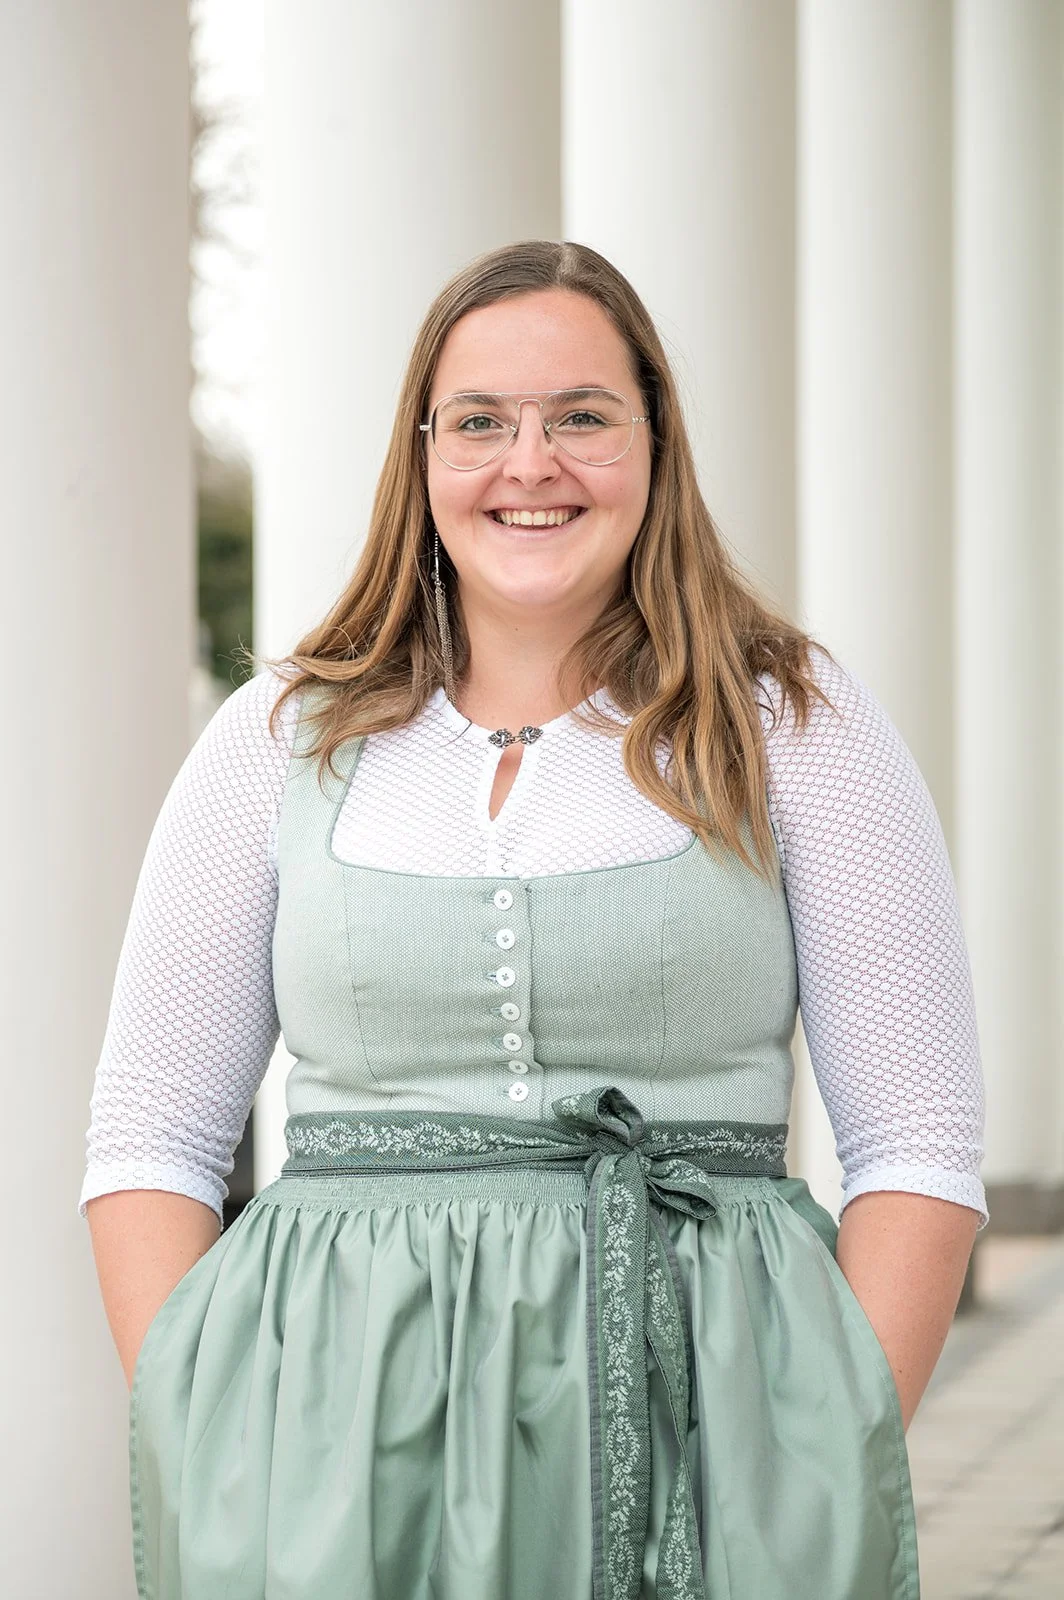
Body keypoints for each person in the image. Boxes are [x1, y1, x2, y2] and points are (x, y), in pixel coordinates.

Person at [81, 239, 986, 1600]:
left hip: (711, 1417)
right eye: (483, 423)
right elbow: (149, 1130)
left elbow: (920, 1139)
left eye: (582, 417)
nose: (531, 464)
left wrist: (823, 1446)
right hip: (336, 1446)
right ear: (424, 451)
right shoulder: (276, 741)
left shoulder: (795, 724)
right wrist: (210, 1426)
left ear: (655, 442)